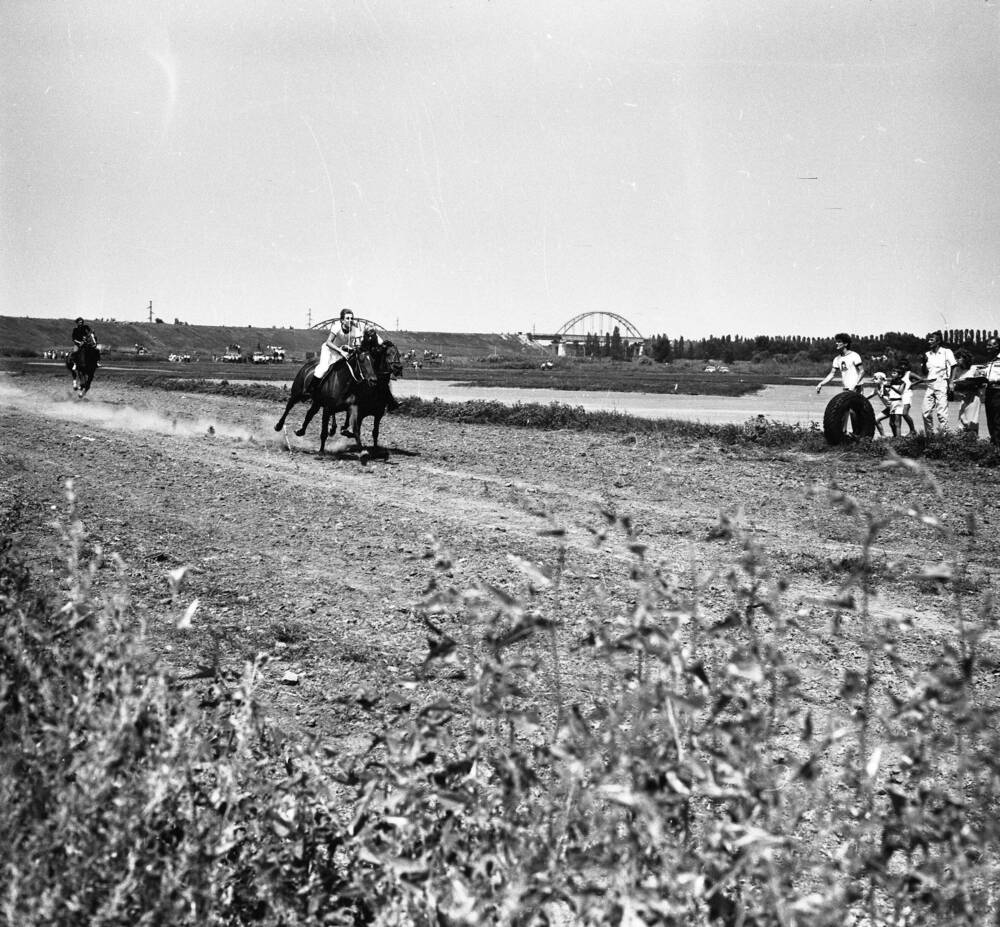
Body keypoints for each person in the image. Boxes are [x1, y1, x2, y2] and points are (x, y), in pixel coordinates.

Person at [304, 308, 363, 394]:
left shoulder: (356, 330)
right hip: (329, 350)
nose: (350, 320)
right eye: (347, 318)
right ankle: (311, 390)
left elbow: (358, 346)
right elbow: (328, 342)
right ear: (342, 320)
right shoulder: (336, 327)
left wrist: (355, 348)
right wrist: (341, 351)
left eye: (352, 318)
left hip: (343, 352)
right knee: (323, 368)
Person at [921, 330, 956, 435]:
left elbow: (954, 366)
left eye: (931, 339)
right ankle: (929, 436)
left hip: (942, 383)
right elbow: (925, 372)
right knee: (925, 412)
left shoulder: (946, 352)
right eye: (928, 339)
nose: (929, 341)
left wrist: (951, 382)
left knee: (942, 413)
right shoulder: (927, 354)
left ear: (938, 341)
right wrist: (923, 362)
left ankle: (943, 437)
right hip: (930, 384)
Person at [953, 348, 986, 436]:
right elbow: (955, 386)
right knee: (962, 421)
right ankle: (961, 444)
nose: (957, 360)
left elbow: (982, 383)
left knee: (971, 422)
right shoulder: (958, 370)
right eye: (956, 358)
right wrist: (958, 390)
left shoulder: (974, 368)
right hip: (964, 398)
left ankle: (972, 444)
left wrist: (972, 383)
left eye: (959, 358)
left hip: (974, 397)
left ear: (965, 358)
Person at [982, 335, 1000, 446]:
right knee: (991, 420)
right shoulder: (990, 361)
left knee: (998, 420)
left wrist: (993, 380)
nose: (987, 347)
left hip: (998, 392)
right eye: (987, 345)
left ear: (997, 346)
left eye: (990, 345)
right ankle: (993, 447)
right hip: (989, 392)